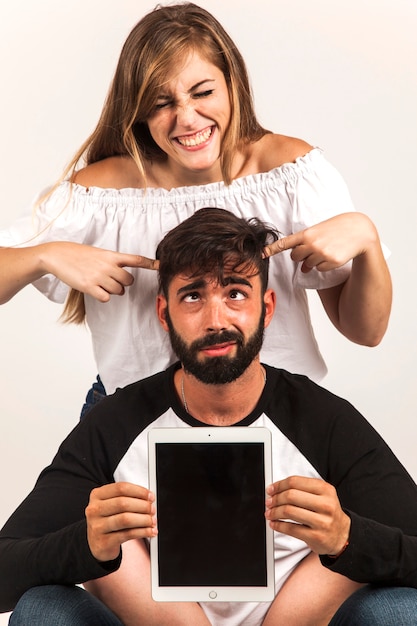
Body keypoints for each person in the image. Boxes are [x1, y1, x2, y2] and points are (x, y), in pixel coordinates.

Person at [0, 209, 415, 626]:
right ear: (164, 314)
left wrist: (348, 539)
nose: (216, 321)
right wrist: (86, 546)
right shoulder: (116, 422)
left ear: (266, 308)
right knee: (42, 611)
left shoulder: (323, 421)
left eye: (235, 293)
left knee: (400, 611)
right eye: (193, 296)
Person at [0, 3, 391, 416]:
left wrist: (367, 238)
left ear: (232, 83)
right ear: (137, 110)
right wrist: (44, 255)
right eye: (160, 102)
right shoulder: (98, 194)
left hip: (278, 419)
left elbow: (366, 332)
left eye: (203, 92)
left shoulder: (291, 175)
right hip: (135, 421)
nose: (187, 118)